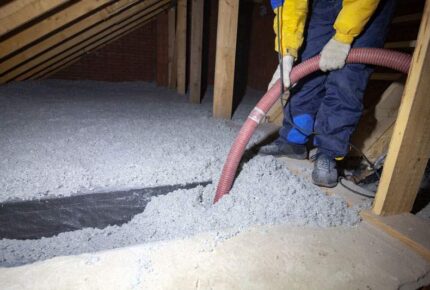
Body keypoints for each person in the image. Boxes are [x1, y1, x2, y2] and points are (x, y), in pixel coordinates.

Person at [259, 0, 397, 187]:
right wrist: (287, 53)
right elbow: (289, 8)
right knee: (306, 70)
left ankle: (328, 153)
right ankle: (294, 140)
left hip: (367, 7)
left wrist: (343, 38)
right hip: (322, 4)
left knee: (347, 79)